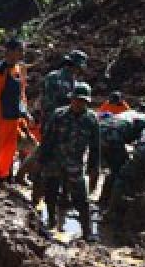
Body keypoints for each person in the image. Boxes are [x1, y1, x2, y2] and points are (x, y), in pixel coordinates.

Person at [38, 83, 101, 241]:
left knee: (81, 198)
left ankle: (87, 231)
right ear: (71, 99)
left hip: (75, 164)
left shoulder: (91, 119)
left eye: (83, 101)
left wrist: (94, 167)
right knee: (50, 192)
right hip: (54, 161)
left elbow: (95, 146)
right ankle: (51, 221)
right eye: (77, 100)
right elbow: (47, 139)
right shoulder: (59, 115)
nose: (80, 104)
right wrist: (42, 160)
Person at [0, 38, 30, 185]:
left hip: (14, 117)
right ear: (9, 52)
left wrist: (25, 113)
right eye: (19, 50)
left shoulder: (19, 69)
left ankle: (1, 177)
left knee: (9, 149)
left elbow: (21, 94)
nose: (22, 53)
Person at [98, 103, 145, 206]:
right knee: (122, 171)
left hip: (100, 133)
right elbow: (144, 143)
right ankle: (113, 203)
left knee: (114, 169)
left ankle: (103, 199)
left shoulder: (128, 113)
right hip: (113, 137)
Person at [40, 50, 87, 120]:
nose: (79, 70)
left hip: (66, 120)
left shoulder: (75, 82)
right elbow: (51, 102)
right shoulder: (54, 77)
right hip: (53, 119)